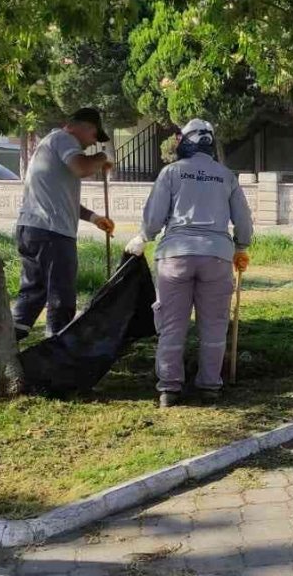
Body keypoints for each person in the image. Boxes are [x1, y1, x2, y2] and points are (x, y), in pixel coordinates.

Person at [125, 118, 253, 408]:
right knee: (214, 325)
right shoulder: (226, 176)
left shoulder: (171, 173)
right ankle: (209, 386)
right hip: (217, 257)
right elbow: (243, 220)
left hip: (175, 257)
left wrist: (144, 236)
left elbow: (155, 216)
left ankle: (169, 388)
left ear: (184, 141)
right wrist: (242, 246)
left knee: (171, 325)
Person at [12, 108, 116, 342]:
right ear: (88, 127)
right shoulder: (63, 139)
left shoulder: (51, 144)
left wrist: (95, 218)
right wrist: (101, 159)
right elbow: (82, 168)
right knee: (61, 297)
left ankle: (6, 347)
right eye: (93, 138)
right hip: (52, 234)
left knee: (33, 293)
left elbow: (62, 201)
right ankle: (58, 349)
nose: (91, 144)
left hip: (35, 228)